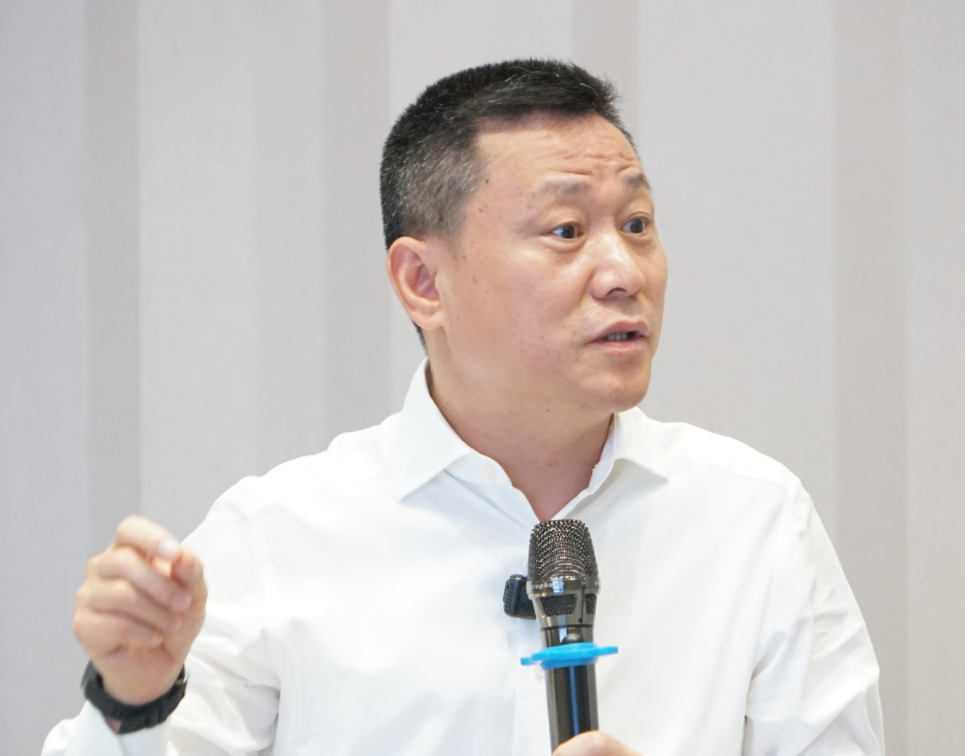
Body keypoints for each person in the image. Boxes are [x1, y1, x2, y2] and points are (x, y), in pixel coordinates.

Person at [43, 59, 883, 756]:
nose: (623, 271)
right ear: (423, 282)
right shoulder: (280, 536)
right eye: (565, 231)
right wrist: (132, 702)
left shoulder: (751, 518)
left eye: (636, 223)